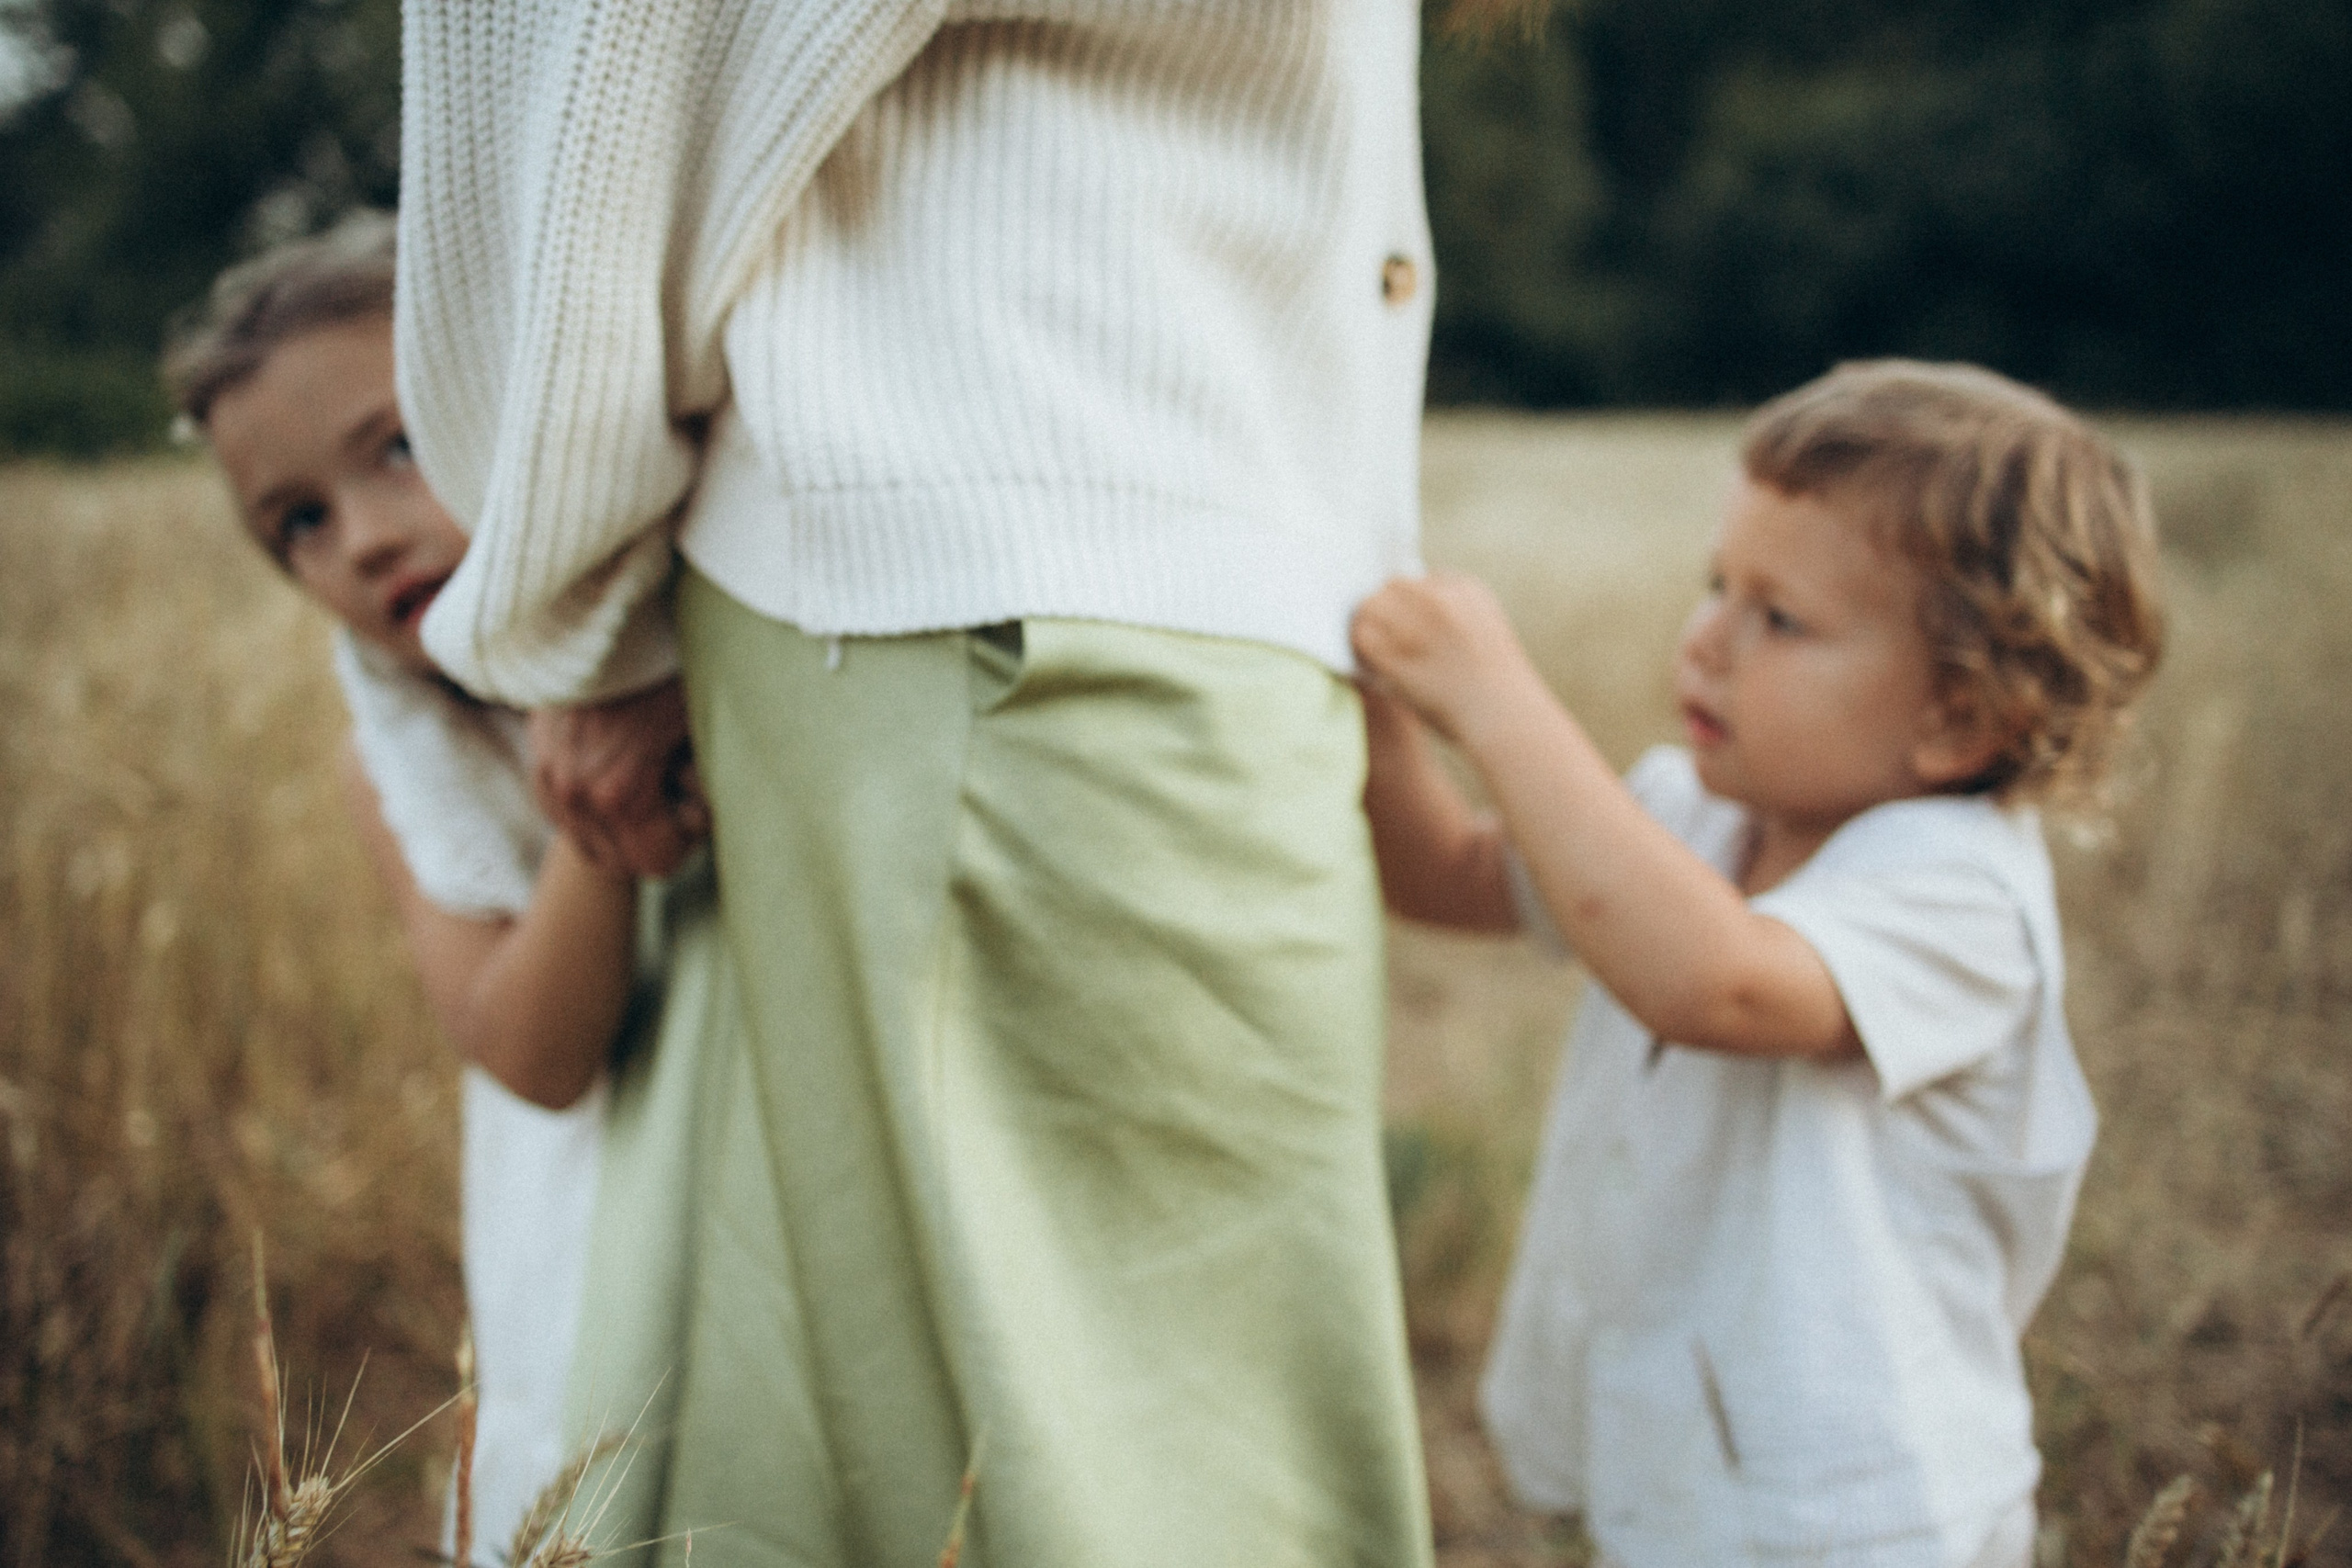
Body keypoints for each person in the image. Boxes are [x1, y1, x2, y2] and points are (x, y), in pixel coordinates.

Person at [386, 3, 1515, 1562]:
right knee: (1054, 1471)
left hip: (1116, 622)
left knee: (1116, 1463)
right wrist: (588, 595)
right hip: (974, 600)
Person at [1351, 360, 2165, 1568]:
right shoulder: (1683, 811)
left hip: (1859, 1517)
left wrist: (1496, 700)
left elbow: (1715, 981)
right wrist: (1378, 708)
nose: (1708, 640)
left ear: (1958, 715)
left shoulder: (1961, 892)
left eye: (1778, 618)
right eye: (1715, 584)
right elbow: (1445, 877)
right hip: (1681, 1462)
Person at [164, 213, 735, 1562]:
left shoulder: (707, 583)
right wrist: (597, 830)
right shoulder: (397, 748)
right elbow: (524, 1052)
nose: (361, 540)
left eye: (404, 448)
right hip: (588, 1194)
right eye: (296, 521)